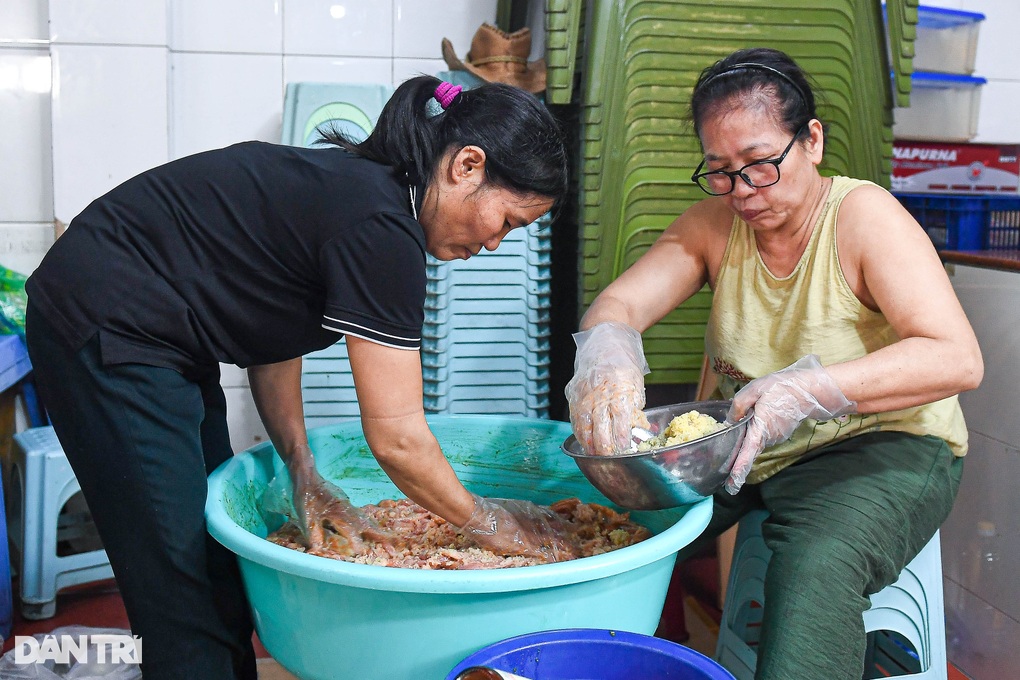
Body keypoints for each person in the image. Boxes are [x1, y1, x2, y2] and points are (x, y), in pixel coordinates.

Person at [25, 75, 574, 680]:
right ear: (467, 166)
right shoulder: (379, 225)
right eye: (508, 221)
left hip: (158, 335)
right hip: (110, 322)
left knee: (211, 544)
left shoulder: (363, 198)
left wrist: (301, 467)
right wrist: (491, 525)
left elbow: (272, 338)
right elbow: (397, 440)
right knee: (178, 578)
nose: (497, 243)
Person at [565, 47, 983, 679]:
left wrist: (813, 390)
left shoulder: (863, 218)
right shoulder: (714, 224)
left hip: (881, 446)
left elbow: (956, 357)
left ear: (811, 140)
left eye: (760, 165)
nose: (742, 191)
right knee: (600, 524)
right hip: (747, 447)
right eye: (721, 171)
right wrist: (607, 356)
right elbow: (620, 302)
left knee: (814, 564)